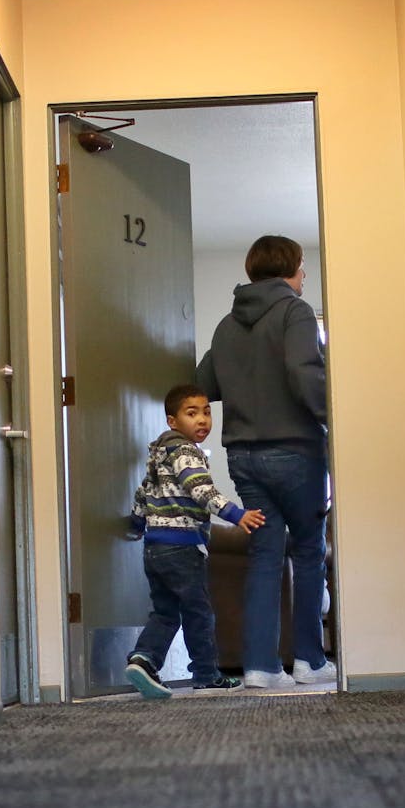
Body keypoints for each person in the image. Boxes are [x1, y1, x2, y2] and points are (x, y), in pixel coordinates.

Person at [196, 234, 334, 689]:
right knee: (310, 551)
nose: (304, 276)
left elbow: (203, 384)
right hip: (295, 450)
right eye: (302, 267)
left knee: (264, 556)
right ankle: (310, 662)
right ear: (293, 269)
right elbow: (302, 371)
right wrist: (329, 416)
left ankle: (260, 666)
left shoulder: (226, 324)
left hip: (244, 456)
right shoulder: (295, 311)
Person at [124, 384, 265, 699]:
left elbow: (142, 494)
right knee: (199, 612)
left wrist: (134, 525)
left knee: (165, 611)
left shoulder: (158, 456)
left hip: (154, 548)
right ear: (173, 421)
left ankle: (143, 659)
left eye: (206, 412)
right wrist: (235, 514)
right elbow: (200, 489)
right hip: (183, 547)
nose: (202, 420)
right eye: (192, 413)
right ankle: (206, 674)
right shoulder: (186, 452)